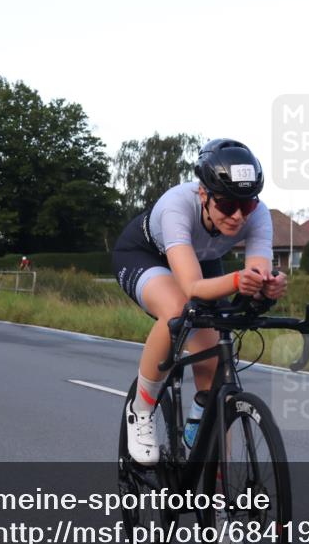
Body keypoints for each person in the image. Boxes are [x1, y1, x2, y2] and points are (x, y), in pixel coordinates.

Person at [112, 138, 288, 465]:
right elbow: (192, 287)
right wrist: (238, 279)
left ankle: (216, 492)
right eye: (226, 205)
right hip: (147, 255)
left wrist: (267, 286)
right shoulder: (177, 206)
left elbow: (258, 271)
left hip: (203, 261)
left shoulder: (258, 214)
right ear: (203, 194)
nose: (237, 216)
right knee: (178, 310)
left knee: (215, 359)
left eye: (246, 205)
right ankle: (141, 410)